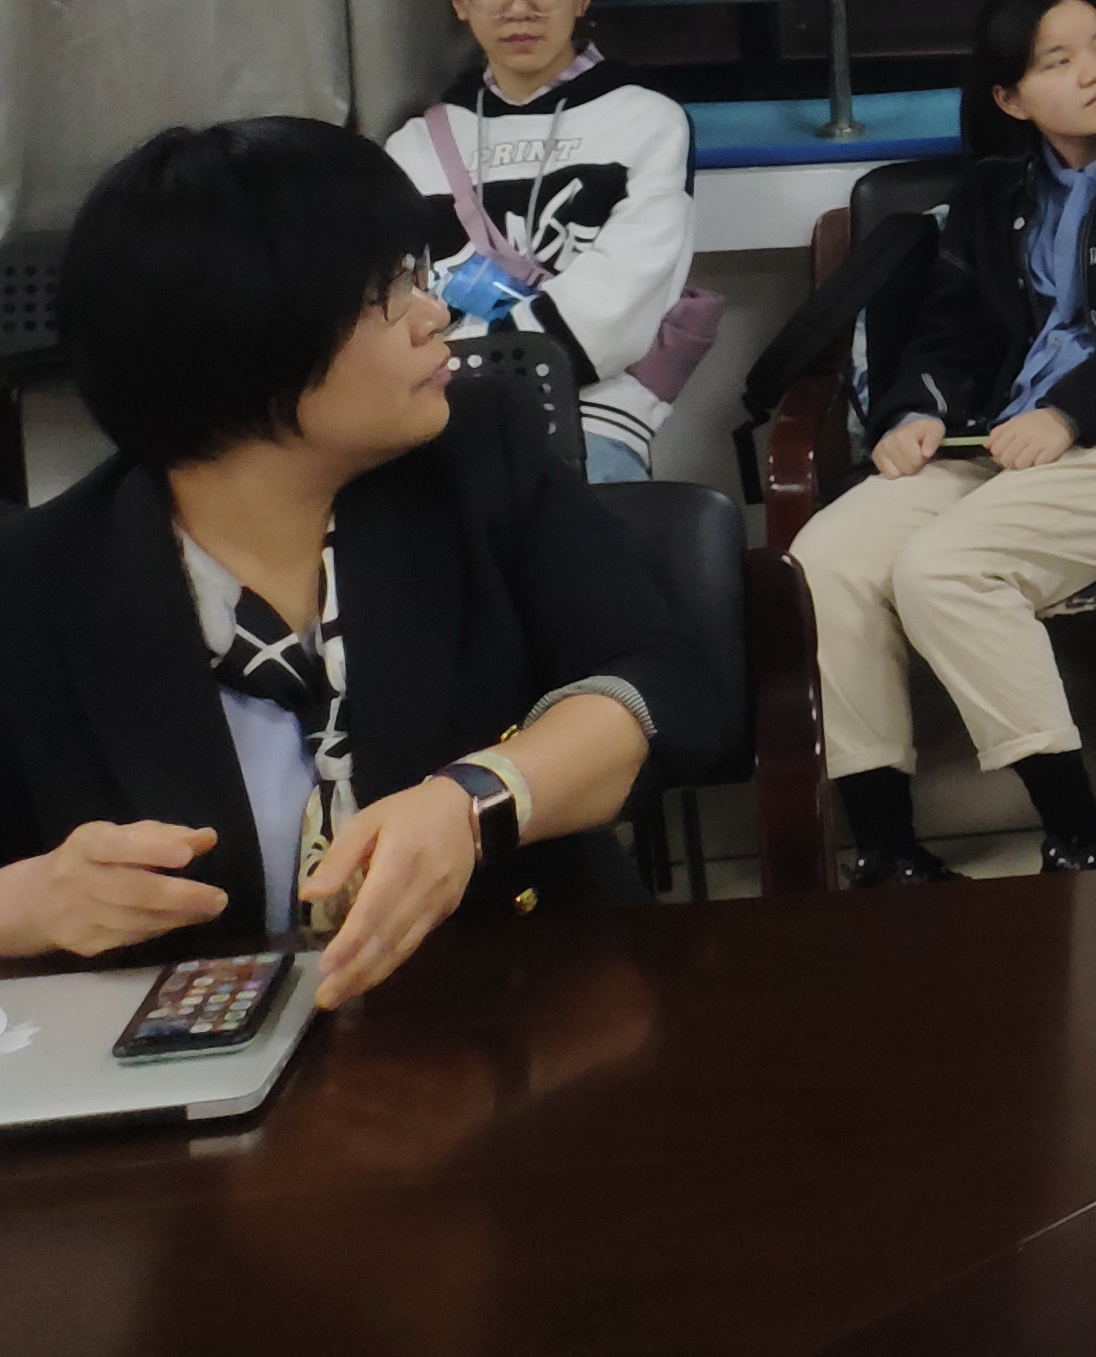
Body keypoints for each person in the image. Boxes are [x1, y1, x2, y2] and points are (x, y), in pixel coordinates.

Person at [0, 120, 723, 1004]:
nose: (433, 315)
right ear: (247, 341)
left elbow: (663, 683)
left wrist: (477, 800)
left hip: (520, 1014)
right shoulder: (35, 584)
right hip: (191, 1058)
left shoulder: (478, 459)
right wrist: (23, 905)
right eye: (389, 292)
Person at [792, 0, 1096, 883]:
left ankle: (1079, 833)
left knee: (945, 569)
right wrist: (912, 412)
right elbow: (947, 333)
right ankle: (888, 851)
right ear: (1011, 98)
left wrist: (1073, 410)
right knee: (825, 557)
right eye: (1058, 60)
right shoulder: (991, 193)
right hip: (991, 440)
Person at [383, 0, 705, 484]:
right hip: (444, 415)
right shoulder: (415, 144)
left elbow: (626, 293)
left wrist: (493, 368)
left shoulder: (646, 120)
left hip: (592, 421)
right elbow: (399, 299)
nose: (518, 7)